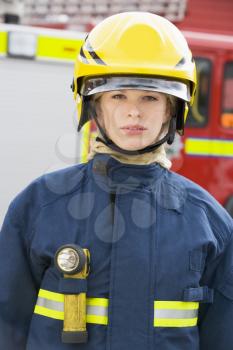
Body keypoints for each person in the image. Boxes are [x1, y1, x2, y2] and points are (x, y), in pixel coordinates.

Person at [0, 11, 232, 350]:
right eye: (118, 96)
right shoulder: (37, 207)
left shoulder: (209, 224)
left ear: (173, 109)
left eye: (150, 98)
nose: (133, 112)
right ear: (93, 105)